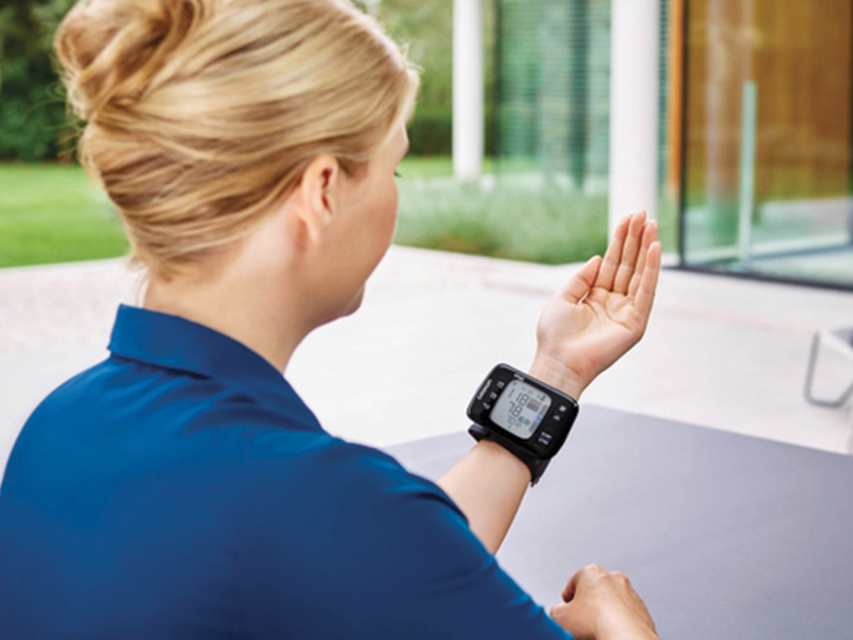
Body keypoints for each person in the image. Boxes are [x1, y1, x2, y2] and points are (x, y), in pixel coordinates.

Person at [0, 0, 663, 638]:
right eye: (393, 169)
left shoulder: (56, 427)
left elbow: (376, 564)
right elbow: (355, 539)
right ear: (321, 191)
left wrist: (557, 371)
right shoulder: (318, 502)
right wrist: (622, 623)